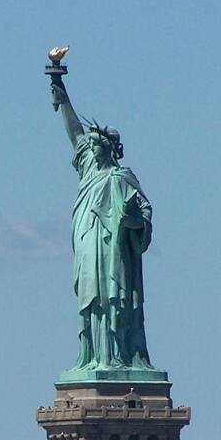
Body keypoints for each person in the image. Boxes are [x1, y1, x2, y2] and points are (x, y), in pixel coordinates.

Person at [50, 72, 156, 373]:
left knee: (115, 300)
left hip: (114, 249)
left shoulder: (123, 179)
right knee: (91, 300)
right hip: (87, 243)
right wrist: (61, 90)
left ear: (109, 148)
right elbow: (74, 134)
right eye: (91, 145)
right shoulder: (88, 169)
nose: (91, 148)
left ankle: (117, 356)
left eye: (97, 145)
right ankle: (92, 355)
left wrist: (133, 220)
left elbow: (145, 216)